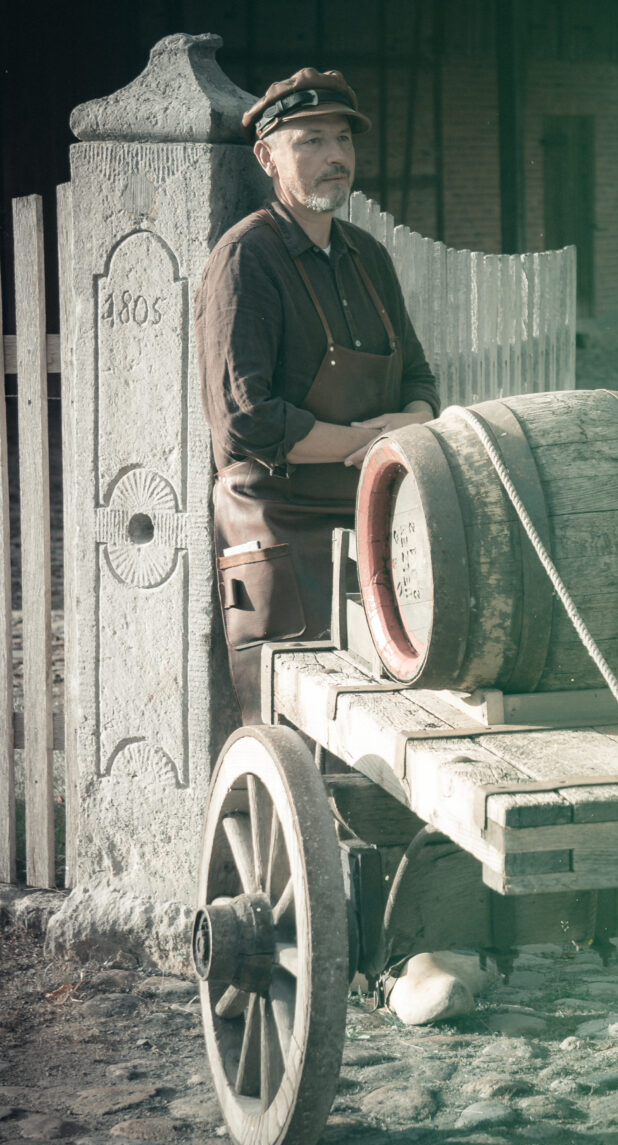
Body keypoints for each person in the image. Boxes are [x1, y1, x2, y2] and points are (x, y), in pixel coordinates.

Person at [195, 68, 439, 721]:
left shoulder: (368, 258)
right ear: (267, 157)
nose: (335, 156)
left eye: (342, 141)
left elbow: (417, 374)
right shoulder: (248, 258)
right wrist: (371, 442)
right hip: (280, 525)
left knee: (389, 717)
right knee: (299, 729)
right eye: (309, 142)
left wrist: (410, 422)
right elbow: (246, 418)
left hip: (371, 523)